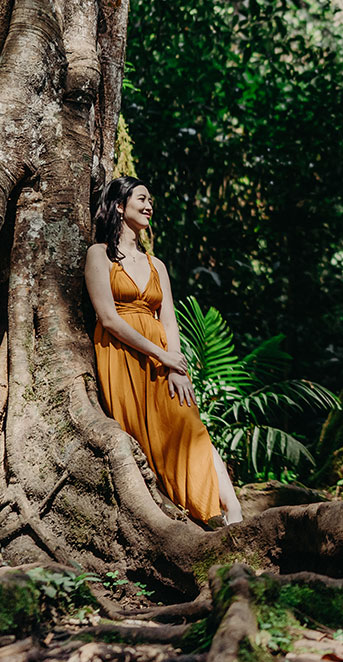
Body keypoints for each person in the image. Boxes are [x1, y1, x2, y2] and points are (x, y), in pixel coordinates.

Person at [85, 176, 243, 526]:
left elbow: (169, 320)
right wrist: (161, 355)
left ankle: (232, 510)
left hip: (163, 361)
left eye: (150, 201)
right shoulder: (99, 254)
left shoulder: (156, 265)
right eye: (141, 199)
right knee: (143, 436)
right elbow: (108, 318)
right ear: (119, 206)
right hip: (121, 357)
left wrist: (175, 365)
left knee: (190, 425)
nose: (149, 206)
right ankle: (182, 515)